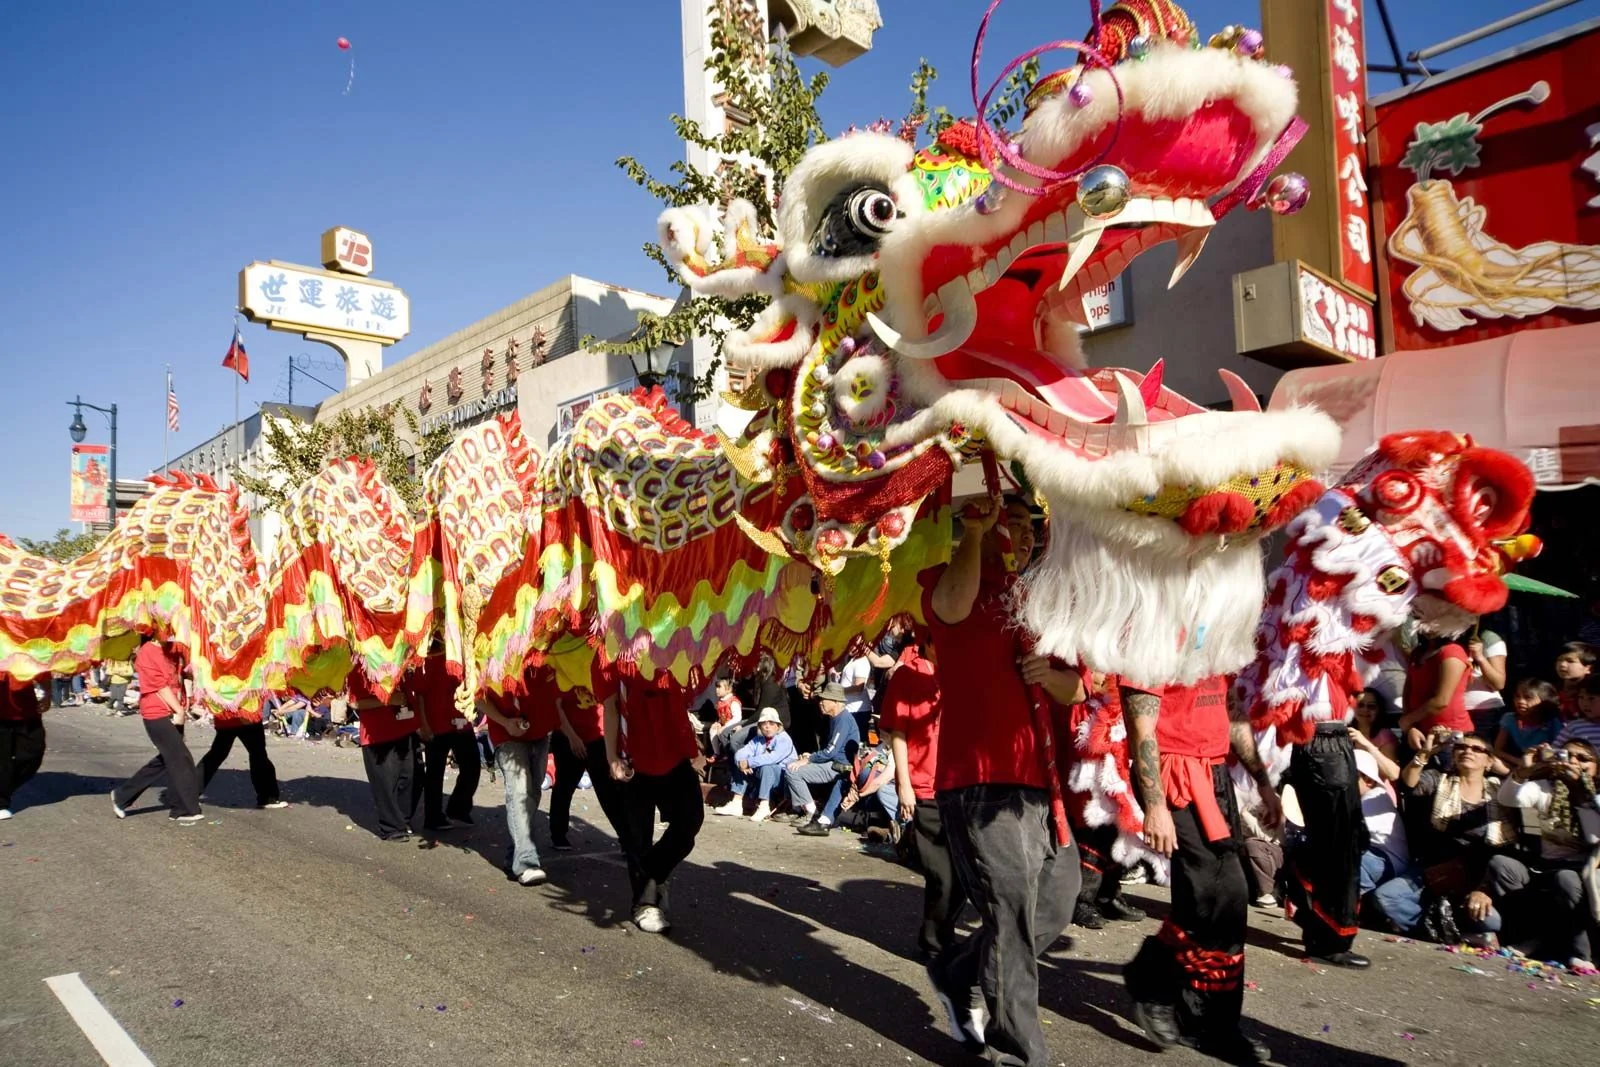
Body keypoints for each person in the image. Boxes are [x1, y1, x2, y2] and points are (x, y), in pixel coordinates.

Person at [923, 494, 1084, 1067]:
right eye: (1006, 518)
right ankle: (1018, 1051)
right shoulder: (952, 580)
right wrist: (975, 534)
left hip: (1043, 785)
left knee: (1056, 904)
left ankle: (958, 970)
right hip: (980, 782)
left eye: (1025, 521)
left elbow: (1077, 688)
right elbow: (950, 606)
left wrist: (1052, 677)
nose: (1020, 530)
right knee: (1012, 911)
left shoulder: (1041, 601)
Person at [1123, 677, 1280, 1063]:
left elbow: (1232, 709)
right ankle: (1204, 1021)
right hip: (1174, 772)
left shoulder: (1221, 641)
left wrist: (1263, 782)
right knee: (1220, 895)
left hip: (1215, 774)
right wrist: (1155, 806)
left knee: (1215, 899)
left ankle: (1162, 985)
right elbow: (1142, 726)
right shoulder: (1156, 641)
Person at [881, 638, 967, 959]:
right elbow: (898, 732)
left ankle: (941, 936)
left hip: (962, 785)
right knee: (941, 872)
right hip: (925, 785)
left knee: (963, 873)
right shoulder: (908, 675)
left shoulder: (962, 672)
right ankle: (934, 944)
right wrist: (904, 784)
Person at [606, 676, 706, 934]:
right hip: (634, 757)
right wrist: (612, 756)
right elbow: (611, 706)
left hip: (676, 755)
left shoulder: (678, 654)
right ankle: (645, 903)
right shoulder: (617, 659)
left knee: (690, 821)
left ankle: (649, 873)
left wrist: (694, 749)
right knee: (637, 835)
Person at [1487, 739, 1599, 968]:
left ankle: (1582, 953)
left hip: (1583, 871)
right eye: (1567, 755)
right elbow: (1509, 799)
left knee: (1566, 879)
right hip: (1544, 865)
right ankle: (1531, 938)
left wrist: (1580, 793)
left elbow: (1594, 837)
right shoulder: (1544, 787)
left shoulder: (1595, 797)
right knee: (1501, 865)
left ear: (1596, 768)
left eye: (1583, 758)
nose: (1573, 761)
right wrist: (1526, 770)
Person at [1399, 730, 1516, 944]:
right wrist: (1425, 753)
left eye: (1477, 749)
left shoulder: (1501, 791)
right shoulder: (1439, 779)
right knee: (1387, 898)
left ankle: (1453, 926)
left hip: (1478, 877)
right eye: (1461, 747)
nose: (1467, 751)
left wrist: (1483, 890)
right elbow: (1409, 783)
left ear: (1489, 761)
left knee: (1491, 922)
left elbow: (1524, 788)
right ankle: (1444, 931)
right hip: (1435, 869)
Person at [112, 636, 204, 824]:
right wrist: (179, 710)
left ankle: (122, 795)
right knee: (181, 758)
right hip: (157, 712)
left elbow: (184, 672)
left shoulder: (174, 647)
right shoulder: (147, 651)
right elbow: (159, 685)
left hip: (175, 710)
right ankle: (184, 809)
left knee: (167, 760)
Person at [484, 670, 561, 886]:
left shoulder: (544, 651)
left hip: (540, 733)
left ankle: (514, 855)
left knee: (531, 795)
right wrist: (505, 722)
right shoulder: (486, 653)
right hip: (507, 735)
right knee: (519, 793)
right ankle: (527, 862)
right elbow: (477, 696)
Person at [407, 647, 481, 831]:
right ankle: (433, 817)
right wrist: (423, 724)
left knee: (472, 765)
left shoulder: (464, 655)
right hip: (436, 722)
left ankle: (458, 808)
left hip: (461, 720)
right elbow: (420, 694)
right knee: (435, 771)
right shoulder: (428, 657)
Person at [1354, 748, 1426, 937]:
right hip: (1372, 856)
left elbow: (1349, 833)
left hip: (1388, 860)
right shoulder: (1356, 799)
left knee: (1351, 865)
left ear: (1368, 780)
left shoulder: (1374, 798)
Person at [548, 684, 627, 854]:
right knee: (564, 787)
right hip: (567, 737)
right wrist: (572, 737)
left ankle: (626, 839)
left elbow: (612, 704)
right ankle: (558, 834)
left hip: (599, 738)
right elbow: (556, 706)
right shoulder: (562, 671)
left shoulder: (600, 672)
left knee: (609, 792)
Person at [351, 668, 423, 841]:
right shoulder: (361, 668)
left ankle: (404, 819)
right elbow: (355, 703)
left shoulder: (403, 665)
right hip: (378, 734)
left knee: (413, 777)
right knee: (386, 783)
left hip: (406, 729)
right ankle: (392, 827)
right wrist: (388, 700)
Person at [783, 682, 860, 836]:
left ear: (836, 702)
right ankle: (809, 813)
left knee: (792, 771)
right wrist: (810, 756)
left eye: (824, 700)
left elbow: (831, 751)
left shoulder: (843, 720)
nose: (821, 703)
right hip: (834, 763)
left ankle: (811, 813)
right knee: (792, 765)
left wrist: (809, 759)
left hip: (839, 767)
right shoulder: (835, 718)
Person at [196, 696, 286, 809]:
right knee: (258, 755)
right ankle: (268, 797)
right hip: (246, 715)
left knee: (217, 754)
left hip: (226, 715)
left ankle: (189, 792)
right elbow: (252, 687)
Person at [713, 708, 795, 822]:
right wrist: (742, 763)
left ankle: (764, 806)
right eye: (764, 724)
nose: (767, 727)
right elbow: (741, 753)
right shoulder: (758, 740)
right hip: (760, 775)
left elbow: (772, 758)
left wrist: (749, 762)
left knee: (767, 767)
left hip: (782, 778)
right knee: (740, 763)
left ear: (778, 726)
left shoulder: (784, 739)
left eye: (771, 724)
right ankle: (736, 803)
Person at [1399, 635, 1473, 752]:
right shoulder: (1418, 652)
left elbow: (1441, 701)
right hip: (1417, 732)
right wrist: (1410, 728)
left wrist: (1407, 721)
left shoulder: (1453, 651)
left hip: (1448, 733)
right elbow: (1408, 691)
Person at [1, 674, 49, 819]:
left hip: (26, 710)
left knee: (34, 751)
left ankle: (3, 789)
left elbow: (42, 668)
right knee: (2, 761)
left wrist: (47, 693)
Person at [1493, 679, 1562, 767]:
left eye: (1528, 697)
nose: (1520, 701)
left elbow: (1558, 753)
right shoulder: (1510, 719)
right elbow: (1498, 750)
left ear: (1544, 701)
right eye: (1517, 696)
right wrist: (1519, 762)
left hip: (1545, 764)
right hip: (1518, 763)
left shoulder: (1553, 722)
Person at [1463, 628, 1508, 735]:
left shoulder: (1488, 638)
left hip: (1484, 712)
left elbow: (1498, 683)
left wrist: (1480, 657)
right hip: (1452, 710)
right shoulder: (1444, 637)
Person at [1350, 688, 1400, 764]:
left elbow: (1393, 771)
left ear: (1378, 710)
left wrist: (1367, 745)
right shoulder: (1345, 734)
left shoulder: (1385, 736)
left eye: (1371, 706)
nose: (1365, 709)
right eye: (1360, 705)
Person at [1553, 671, 1600, 750]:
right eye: (1581, 697)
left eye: (1591, 698)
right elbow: (1555, 750)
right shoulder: (1574, 727)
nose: (1585, 703)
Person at [1554, 642, 1595, 720]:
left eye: (1570, 661)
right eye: (1559, 660)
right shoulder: (1551, 690)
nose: (1562, 664)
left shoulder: (1594, 694)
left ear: (1588, 668)